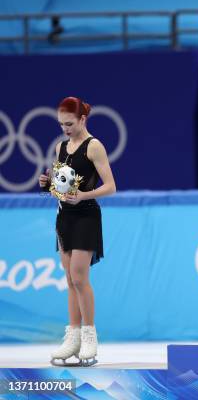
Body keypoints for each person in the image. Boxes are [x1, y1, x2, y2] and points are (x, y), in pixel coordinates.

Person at [39, 96, 116, 365]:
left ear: (83, 119)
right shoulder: (61, 147)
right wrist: (46, 184)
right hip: (64, 218)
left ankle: (90, 336)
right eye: (61, 124)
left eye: (69, 123)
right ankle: (72, 338)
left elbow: (110, 186)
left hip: (86, 216)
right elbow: (61, 187)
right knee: (70, 280)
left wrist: (83, 196)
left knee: (80, 277)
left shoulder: (94, 147)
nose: (65, 129)